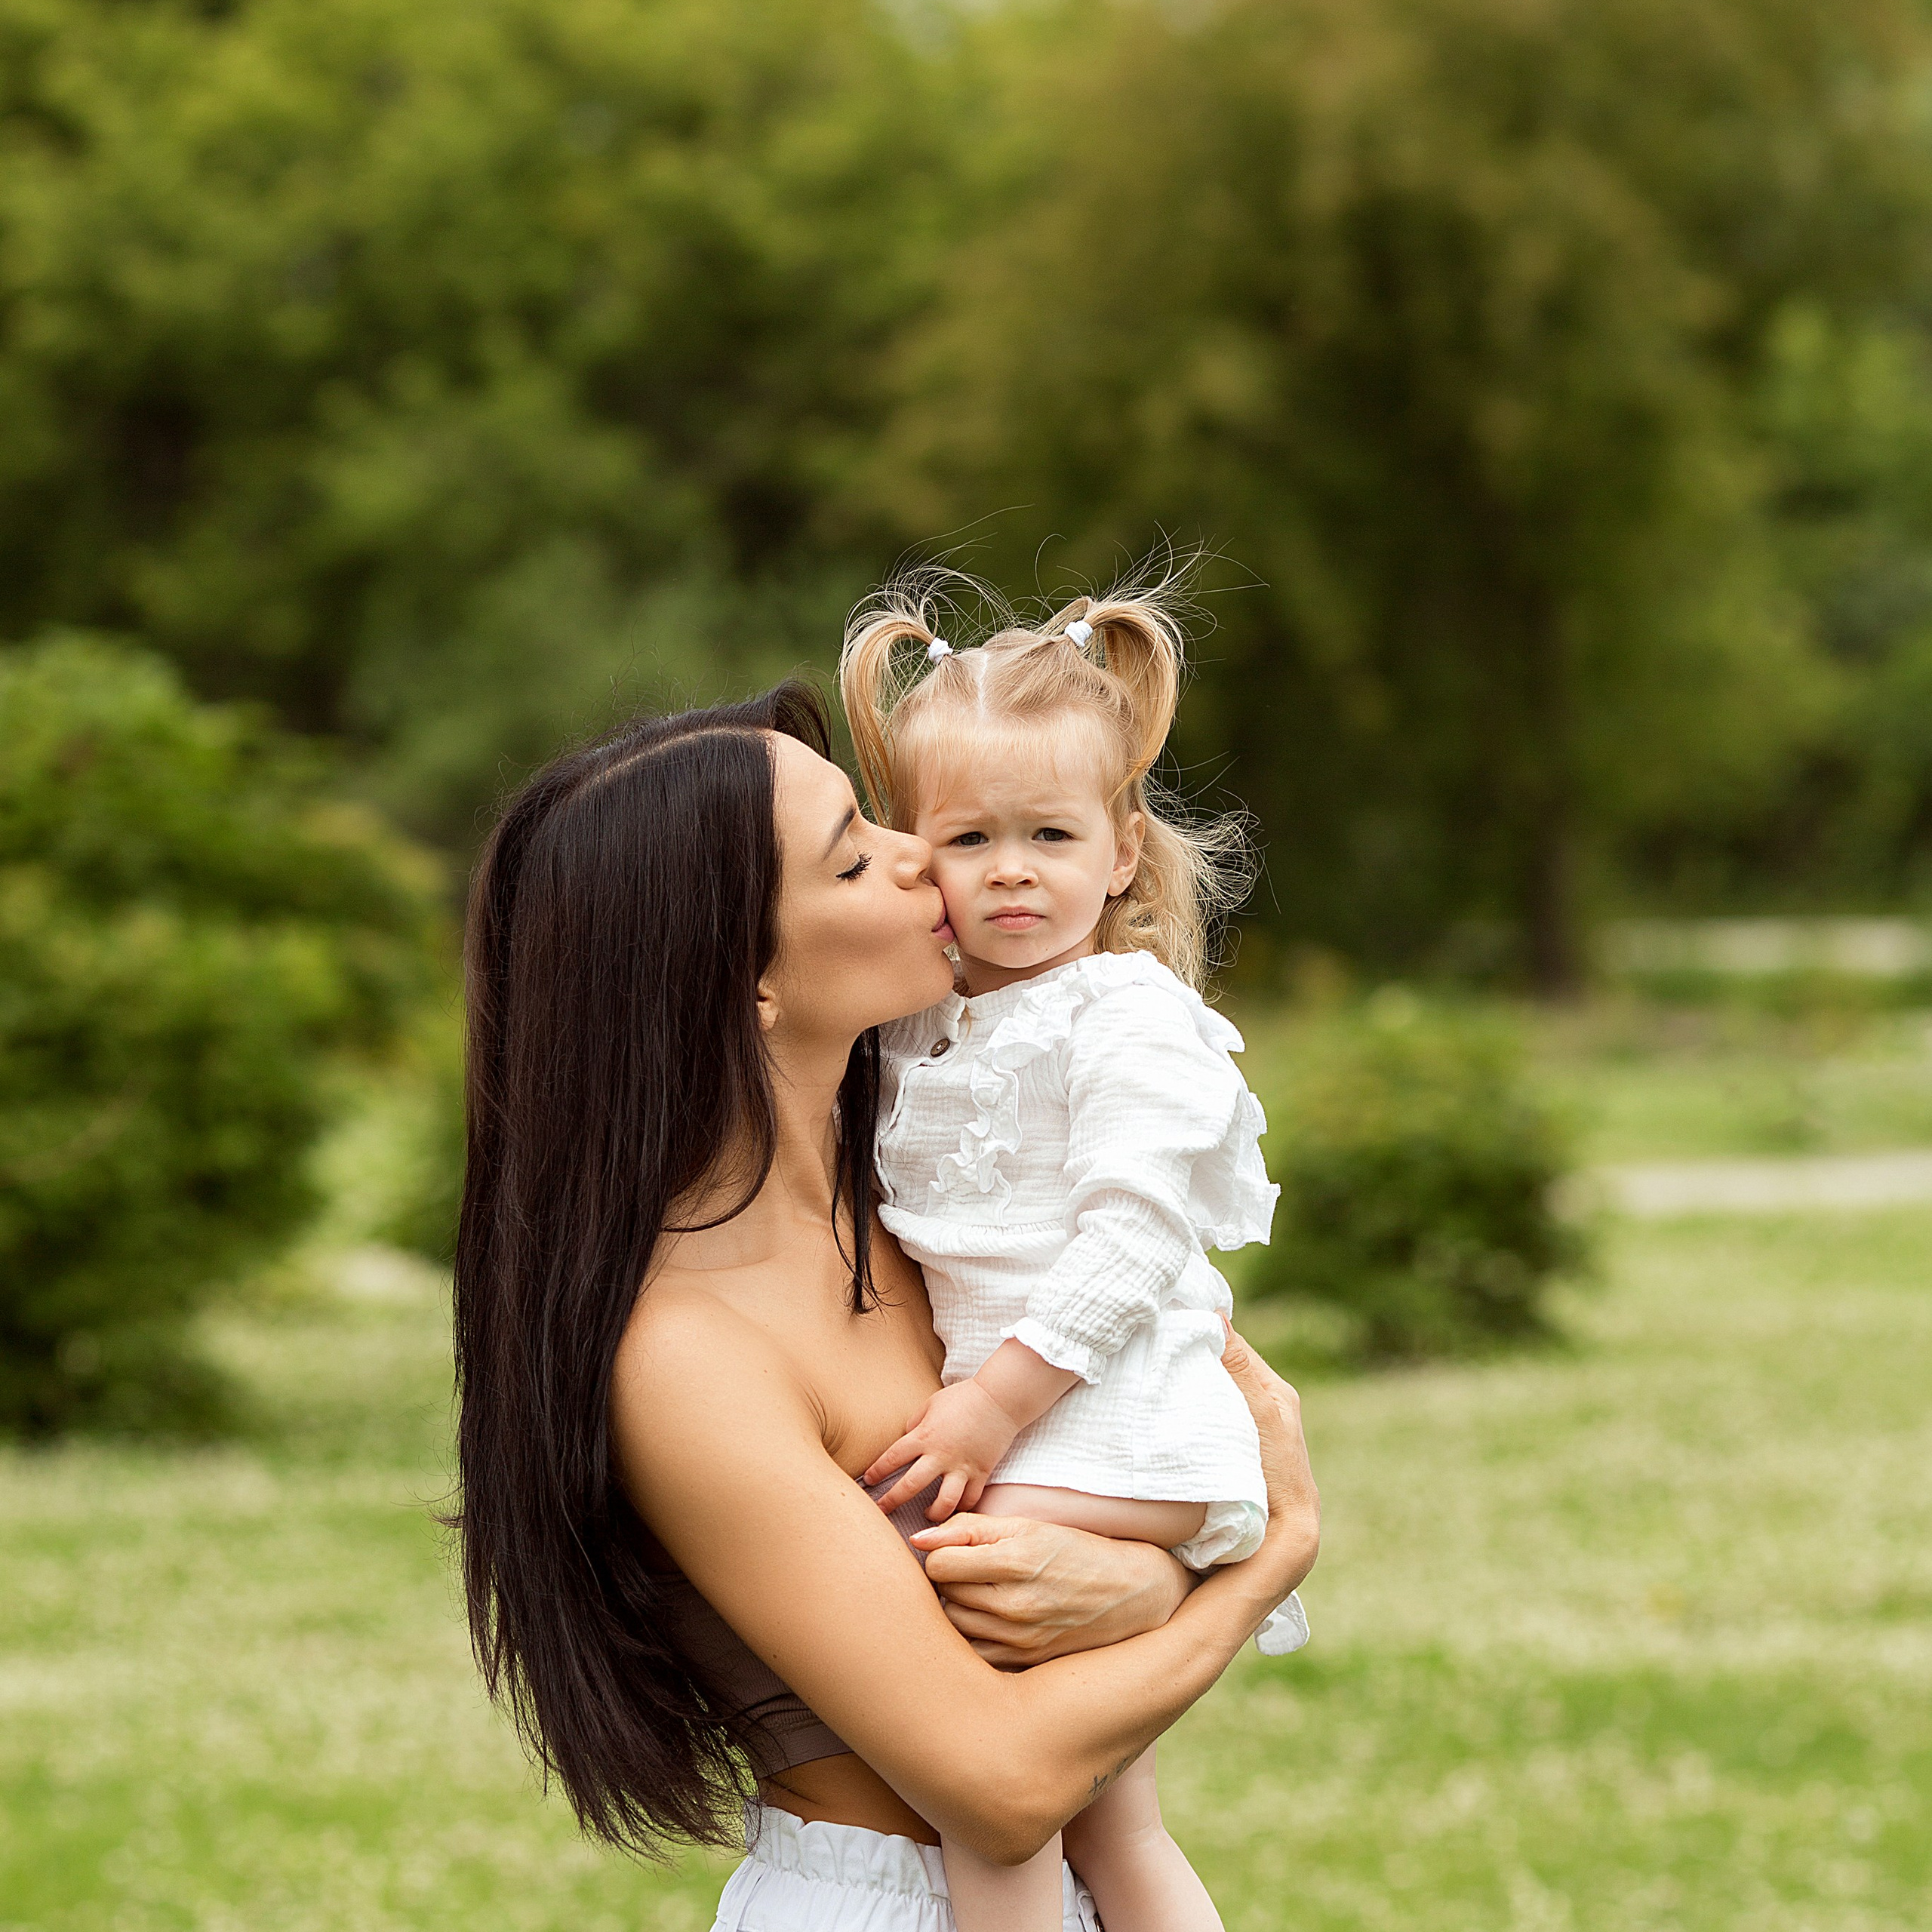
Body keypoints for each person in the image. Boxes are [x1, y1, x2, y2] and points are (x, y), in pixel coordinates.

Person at [453, 680, 1319, 1931]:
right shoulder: (690, 1355)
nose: (925, 855)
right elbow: (1004, 1788)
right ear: (747, 981)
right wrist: (1264, 1563)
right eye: (856, 856)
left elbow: (1152, 1425)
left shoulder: (930, 1214)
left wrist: (1147, 1584)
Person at [838, 582, 1306, 1932]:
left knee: (991, 1788)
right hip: (1045, 1430)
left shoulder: (1123, 1016)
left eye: (1050, 834)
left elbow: (1136, 1235)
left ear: (1119, 852)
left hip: (1110, 1423)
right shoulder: (917, 1021)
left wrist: (993, 1408)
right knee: (1114, 1819)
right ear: (915, 856)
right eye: (968, 838)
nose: (1012, 869)